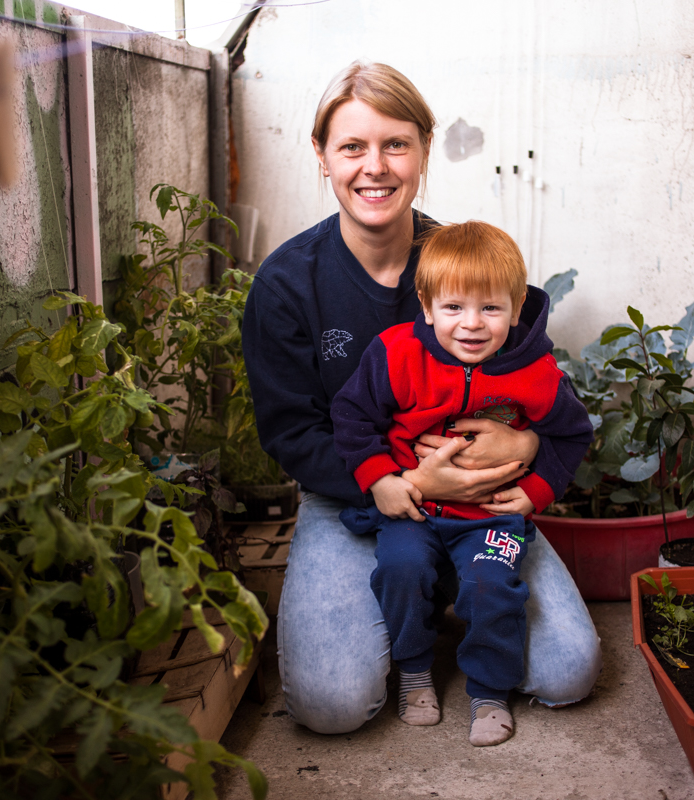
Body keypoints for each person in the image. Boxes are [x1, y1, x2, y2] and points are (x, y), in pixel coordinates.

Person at [241, 60, 603, 737]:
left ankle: (452, 585)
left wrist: (527, 447)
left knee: (568, 672)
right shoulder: (289, 285)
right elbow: (292, 433)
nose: (373, 167)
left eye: (395, 144)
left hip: (481, 498)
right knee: (331, 705)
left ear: (424, 151)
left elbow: (536, 384)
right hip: (355, 495)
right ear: (322, 156)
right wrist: (399, 481)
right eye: (352, 146)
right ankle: (417, 593)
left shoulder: (465, 266)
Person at [330, 220, 594, 746]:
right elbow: (352, 416)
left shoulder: (536, 373)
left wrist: (538, 488)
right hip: (416, 508)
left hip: (490, 515)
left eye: (491, 309)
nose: (471, 325)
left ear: (517, 308)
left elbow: (572, 434)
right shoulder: (396, 354)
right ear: (426, 306)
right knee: (402, 569)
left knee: (492, 587)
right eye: (454, 308)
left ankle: (490, 692)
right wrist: (381, 478)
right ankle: (413, 669)